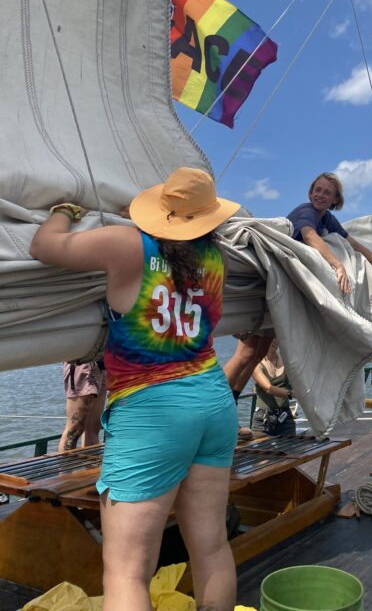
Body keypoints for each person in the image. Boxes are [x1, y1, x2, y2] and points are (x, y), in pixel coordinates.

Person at [30, 167, 240, 611]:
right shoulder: (214, 259)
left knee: (127, 571)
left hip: (152, 412)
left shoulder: (126, 245)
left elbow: (44, 246)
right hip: (212, 399)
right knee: (211, 546)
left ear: (162, 212)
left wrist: (64, 210)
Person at [287, 172, 372, 293]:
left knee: (339, 241)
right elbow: (309, 235)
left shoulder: (327, 218)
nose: (320, 195)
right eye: (317, 190)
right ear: (311, 193)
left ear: (335, 199)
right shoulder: (307, 211)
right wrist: (338, 265)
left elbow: (353, 244)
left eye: (327, 192)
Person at [59, 360, 107, 452]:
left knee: (94, 427)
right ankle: (66, 460)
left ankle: (91, 460)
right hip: (82, 361)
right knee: (74, 429)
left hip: (100, 362)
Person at [252, 339, 296, 437]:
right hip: (263, 418)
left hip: (285, 416)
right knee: (262, 446)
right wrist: (291, 394)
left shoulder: (286, 359)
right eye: (271, 337)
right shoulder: (256, 363)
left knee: (291, 446)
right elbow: (268, 388)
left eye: (276, 336)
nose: (274, 340)